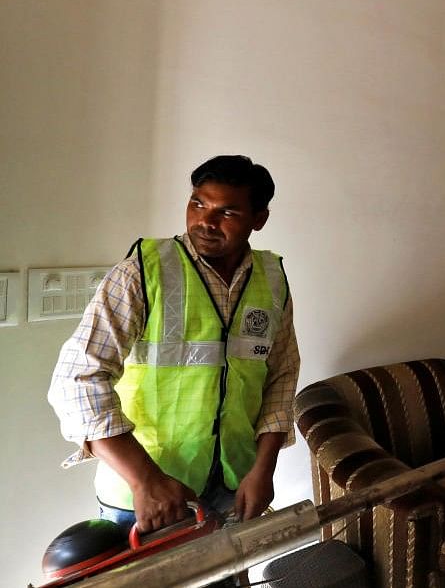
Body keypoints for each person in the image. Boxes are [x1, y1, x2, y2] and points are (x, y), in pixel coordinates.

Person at [48, 155, 300, 539]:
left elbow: (281, 376)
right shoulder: (144, 271)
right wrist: (145, 480)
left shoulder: (272, 280)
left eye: (227, 211)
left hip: (235, 487)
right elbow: (77, 380)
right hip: (147, 496)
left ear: (258, 219)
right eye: (198, 203)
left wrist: (264, 469)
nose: (205, 222)